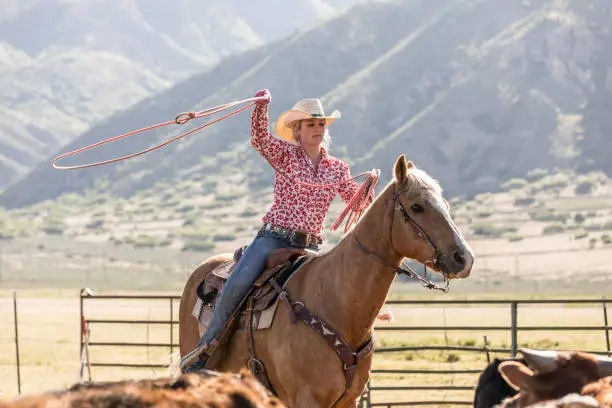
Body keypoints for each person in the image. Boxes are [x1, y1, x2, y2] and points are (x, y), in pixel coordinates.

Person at [180, 89, 387, 373]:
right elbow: (260, 140)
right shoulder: (286, 154)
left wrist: (369, 186)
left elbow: (358, 202)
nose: (316, 129)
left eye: (320, 124)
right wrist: (261, 108)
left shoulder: (338, 168)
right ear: (298, 131)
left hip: (311, 246)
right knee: (237, 285)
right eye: (310, 124)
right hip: (274, 239)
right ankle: (206, 348)